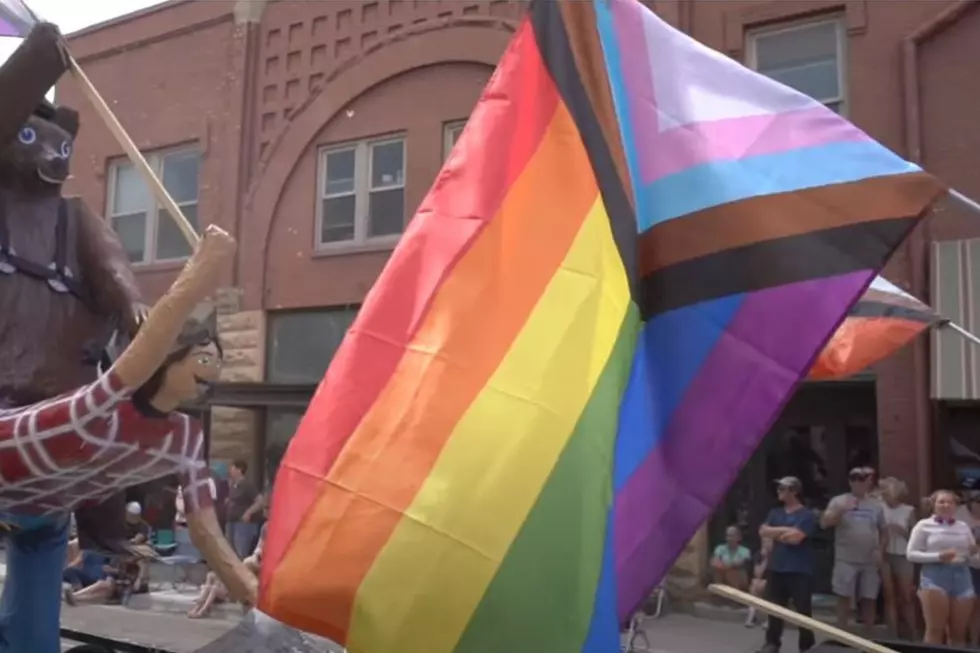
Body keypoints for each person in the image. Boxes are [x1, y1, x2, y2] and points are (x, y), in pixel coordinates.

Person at [907, 489, 979, 647]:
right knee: (935, 630)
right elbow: (911, 554)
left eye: (950, 502)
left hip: (962, 575)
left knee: (959, 632)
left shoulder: (963, 526)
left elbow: (970, 555)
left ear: (956, 506)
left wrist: (972, 553)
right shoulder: (923, 525)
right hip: (935, 576)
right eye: (942, 502)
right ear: (933, 505)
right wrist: (939, 556)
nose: (946, 505)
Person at [820, 466, 887, 631]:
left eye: (861, 479)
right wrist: (842, 510)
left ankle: (870, 638)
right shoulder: (838, 501)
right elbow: (824, 523)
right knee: (843, 597)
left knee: (869, 598)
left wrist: (881, 550)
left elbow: (884, 531)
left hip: (869, 559)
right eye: (853, 478)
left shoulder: (876, 505)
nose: (857, 482)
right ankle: (841, 635)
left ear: (867, 482)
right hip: (846, 558)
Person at [756, 477, 816, 653]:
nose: (779, 491)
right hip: (777, 567)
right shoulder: (775, 512)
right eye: (779, 488)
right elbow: (762, 531)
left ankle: (806, 646)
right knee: (774, 609)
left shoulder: (806, 515)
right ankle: (772, 643)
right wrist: (784, 531)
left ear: (795, 491)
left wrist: (776, 533)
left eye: (783, 488)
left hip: (799, 570)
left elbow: (796, 539)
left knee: (803, 610)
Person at [879, 476, 917, 638]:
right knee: (889, 595)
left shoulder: (909, 510)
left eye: (891, 492)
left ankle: (914, 634)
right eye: (885, 492)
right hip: (884, 553)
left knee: (906, 595)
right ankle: (892, 635)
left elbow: (917, 538)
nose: (888, 495)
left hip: (903, 554)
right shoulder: (878, 507)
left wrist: (904, 532)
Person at [225, 459, 264, 559]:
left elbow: (260, 501)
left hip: (243, 524)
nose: (230, 470)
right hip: (231, 521)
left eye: (233, 467)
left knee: (241, 550)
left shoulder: (247, 485)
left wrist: (248, 512)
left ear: (239, 470)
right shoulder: (233, 485)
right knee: (231, 550)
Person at [955, 491, 980, 646]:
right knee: (965, 606)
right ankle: (959, 642)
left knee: (978, 607)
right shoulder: (960, 514)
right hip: (966, 566)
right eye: (976, 501)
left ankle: (975, 642)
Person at [711, 525, 751, 591]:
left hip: (738, 578)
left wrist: (725, 566)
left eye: (731, 536)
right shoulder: (720, 548)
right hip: (722, 575)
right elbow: (714, 562)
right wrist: (725, 566)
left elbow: (740, 564)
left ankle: (734, 594)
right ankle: (719, 591)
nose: (729, 538)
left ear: (739, 537)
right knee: (717, 571)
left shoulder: (745, 551)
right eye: (727, 536)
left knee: (733, 572)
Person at [745, 537, 773, 627]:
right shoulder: (759, 554)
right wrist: (765, 559)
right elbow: (758, 574)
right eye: (764, 542)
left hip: (776, 582)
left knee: (767, 585)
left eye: (769, 541)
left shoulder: (777, 555)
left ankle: (770, 619)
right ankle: (751, 617)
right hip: (761, 581)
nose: (766, 544)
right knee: (755, 583)